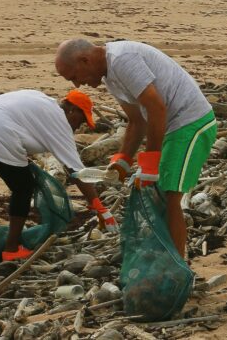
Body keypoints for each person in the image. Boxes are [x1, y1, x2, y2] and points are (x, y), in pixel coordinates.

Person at [55, 39, 217, 259]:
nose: (77, 85)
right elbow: (137, 121)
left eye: (74, 76)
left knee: (170, 195)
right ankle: (166, 255)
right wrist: (122, 161)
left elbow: (156, 109)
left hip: (191, 122)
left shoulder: (122, 60)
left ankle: (177, 265)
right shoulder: (110, 76)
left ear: (85, 60)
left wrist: (149, 165)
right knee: (158, 194)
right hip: (174, 128)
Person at [0, 89, 116, 263]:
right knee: (23, 187)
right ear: (72, 109)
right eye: (82, 119)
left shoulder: (40, 98)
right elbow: (77, 171)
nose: (80, 126)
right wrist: (99, 208)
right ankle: (11, 249)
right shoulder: (59, 121)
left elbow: (20, 120)